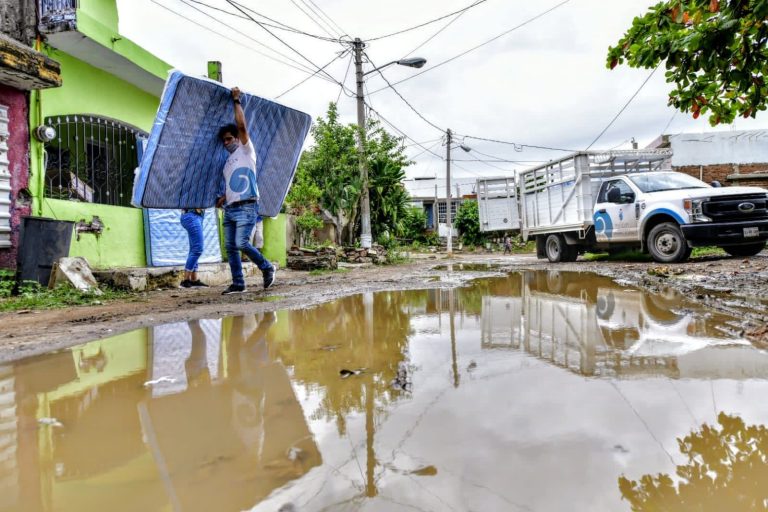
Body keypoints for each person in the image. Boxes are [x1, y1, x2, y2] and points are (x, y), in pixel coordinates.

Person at [216, 87, 275, 294]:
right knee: (231, 248)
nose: (226, 143)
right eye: (223, 141)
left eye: (229, 139)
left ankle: (267, 267)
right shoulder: (227, 164)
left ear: (237, 138)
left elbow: (241, 125)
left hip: (248, 206)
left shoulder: (246, 151)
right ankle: (238, 283)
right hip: (230, 209)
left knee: (242, 243)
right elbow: (234, 184)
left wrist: (236, 101)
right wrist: (224, 197)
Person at [179, 208, 209, 288]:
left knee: (194, 249)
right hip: (191, 215)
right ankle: (185, 281)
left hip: (197, 215)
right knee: (197, 249)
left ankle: (193, 280)